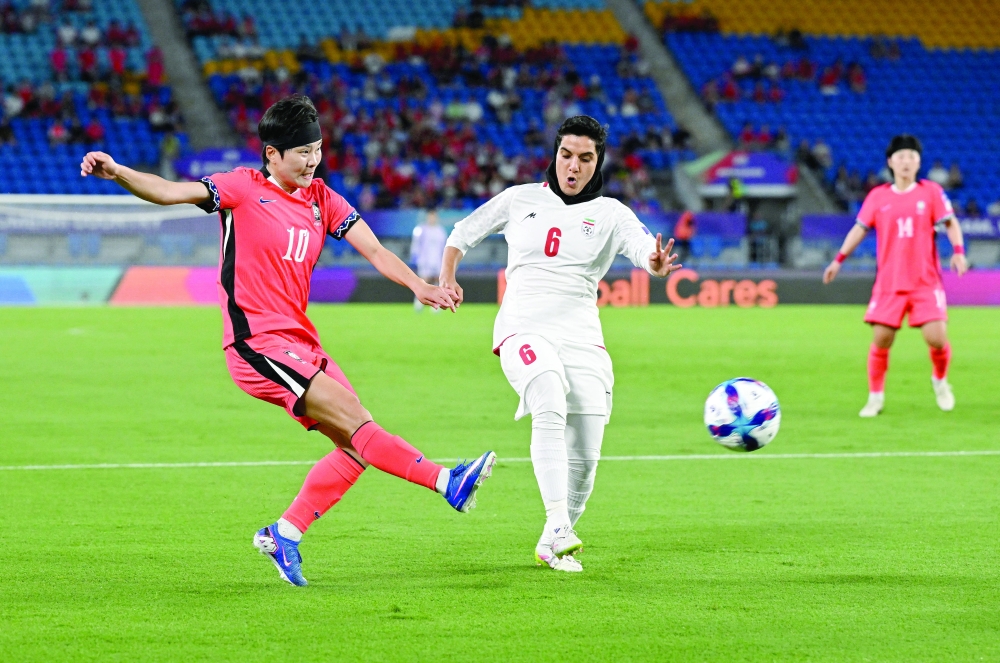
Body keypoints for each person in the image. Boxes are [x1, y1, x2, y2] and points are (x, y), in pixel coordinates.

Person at [79, 94, 496, 587]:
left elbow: (376, 250)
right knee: (359, 422)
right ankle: (449, 482)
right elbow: (171, 191)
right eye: (301, 151)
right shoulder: (240, 188)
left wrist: (421, 287)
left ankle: (285, 533)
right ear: (272, 154)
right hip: (255, 342)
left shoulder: (323, 199)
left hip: (301, 342)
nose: (312, 160)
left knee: (358, 447)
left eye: (317, 148)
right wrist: (120, 172)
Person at [439, 116, 682, 573]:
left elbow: (641, 248)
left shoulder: (611, 212)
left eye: (585, 158)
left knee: (586, 459)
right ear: (555, 154)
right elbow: (461, 234)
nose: (573, 166)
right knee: (548, 392)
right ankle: (558, 526)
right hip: (523, 325)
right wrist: (447, 277)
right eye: (566, 154)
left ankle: (553, 539)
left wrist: (653, 261)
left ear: (598, 162)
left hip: (582, 337)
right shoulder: (521, 199)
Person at [823, 134, 967, 417]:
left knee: (937, 338)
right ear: (890, 162)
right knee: (881, 339)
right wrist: (838, 259)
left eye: (911, 157)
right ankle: (875, 397)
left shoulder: (931, 192)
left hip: (925, 281)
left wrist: (959, 251)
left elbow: (951, 223)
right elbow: (860, 229)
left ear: (918, 163)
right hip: (889, 283)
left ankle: (940, 380)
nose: (906, 162)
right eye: (900, 157)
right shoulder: (878, 196)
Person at [409, 208, 448, 312]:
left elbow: (444, 247)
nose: (432, 218)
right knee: (424, 281)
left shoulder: (440, 231)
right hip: (425, 259)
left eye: (434, 216)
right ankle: (418, 303)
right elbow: (416, 245)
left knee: (436, 281)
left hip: (437, 260)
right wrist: (416, 257)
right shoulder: (421, 230)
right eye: (430, 216)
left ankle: (436, 305)